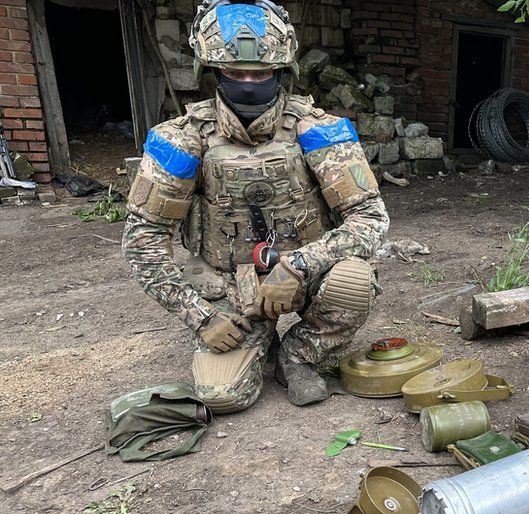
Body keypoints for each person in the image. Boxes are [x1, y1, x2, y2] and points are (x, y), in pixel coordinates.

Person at [121, 0, 389, 412]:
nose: (249, 82)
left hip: (304, 276)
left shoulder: (317, 130)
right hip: (229, 283)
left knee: (353, 279)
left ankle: (297, 355)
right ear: (210, 71)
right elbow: (143, 240)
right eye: (234, 72)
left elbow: (370, 218)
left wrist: (297, 265)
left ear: (282, 72)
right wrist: (202, 318)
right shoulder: (181, 140)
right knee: (223, 397)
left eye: (262, 73)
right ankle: (256, 338)